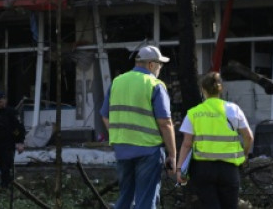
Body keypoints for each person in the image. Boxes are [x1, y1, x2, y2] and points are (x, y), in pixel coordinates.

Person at [100, 45, 178, 209]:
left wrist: (117, 135)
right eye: (160, 65)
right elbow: (165, 123)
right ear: (151, 65)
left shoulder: (117, 82)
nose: (160, 68)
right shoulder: (154, 84)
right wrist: (172, 154)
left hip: (122, 150)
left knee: (125, 198)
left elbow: (105, 115)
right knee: (146, 200)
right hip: (148, 150)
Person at [176, 71, 254, 209]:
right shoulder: (233, 109)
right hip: (229, 169)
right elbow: (248, 137)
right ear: (220, 89)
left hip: (203, 169)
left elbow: (187, 144)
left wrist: (180, 169)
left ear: (203, 90)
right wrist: (245, 154)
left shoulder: (194, 113)